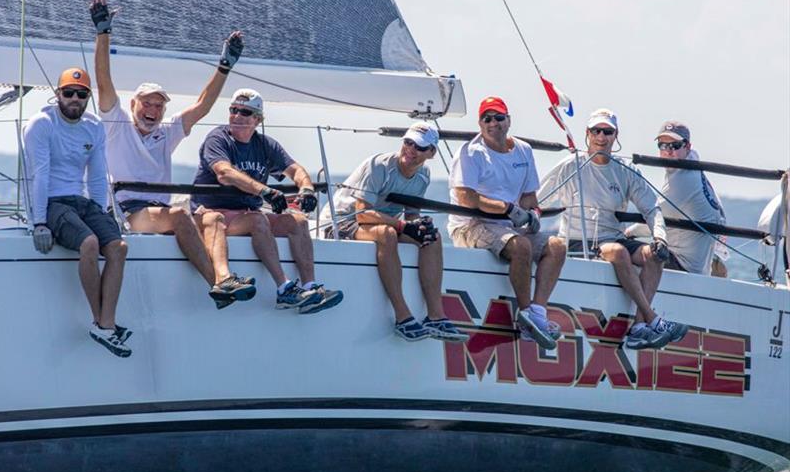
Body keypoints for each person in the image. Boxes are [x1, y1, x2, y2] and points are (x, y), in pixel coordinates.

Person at [89, 0, 253, 309]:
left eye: (159, 105)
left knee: (210, 215)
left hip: (156, 211)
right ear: (133, 104)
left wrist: (225, 66)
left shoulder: (167, 133)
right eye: (146, 103)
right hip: (126, 210)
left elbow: (202, 106)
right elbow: (103, 80)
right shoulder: (116, 123)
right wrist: (103, 32)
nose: (152, 109)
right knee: (179, 214)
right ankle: (218, 284)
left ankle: (224, 275)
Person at [539, 108, 688, 350]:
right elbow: (538, 200)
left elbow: (651, 207)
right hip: (578, 239)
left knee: (655, 256)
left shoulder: (625, 169)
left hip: (613, 237)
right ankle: (653, 319)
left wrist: (660, 238)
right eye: (596, 131)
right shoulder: (569, 165)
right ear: (587, 134)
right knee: (618, 252)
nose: (601, 136)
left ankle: (639, 329)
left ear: (615, 135)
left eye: (607, 131)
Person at [192, 88, 343, 313]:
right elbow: (224, 172)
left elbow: (295, 169)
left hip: (245, 213)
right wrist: (265, 191)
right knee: (257, 220)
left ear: (258, 120)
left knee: (298, 222)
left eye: (244, 112)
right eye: (233, 110)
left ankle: (311, 288)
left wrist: (307, 189)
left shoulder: (265, 145)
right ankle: (284, 289)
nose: (236, 116)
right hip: (214, 213)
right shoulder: (218, 137)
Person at [323, 122, 468, 343]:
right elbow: (362, 215)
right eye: (408, 143)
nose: (410, 150)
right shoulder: (379, 166)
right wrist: (402, 226)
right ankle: (403, 317)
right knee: (387, 234)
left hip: (379, 223)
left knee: (432, 237)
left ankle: (435, 317)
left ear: (431, 153)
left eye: (419, 147)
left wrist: (420, 225)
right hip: (341, 222)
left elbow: (411, 216)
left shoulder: (423, 175)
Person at [24, 68, 131, 358]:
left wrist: (100, 210)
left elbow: (97, 176)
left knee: (119, 247)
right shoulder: (41, 124)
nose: (74, 98)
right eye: (68, 92)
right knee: (90, 243)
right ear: (57, 94)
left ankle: (104, 323)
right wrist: (39, 222)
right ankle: (104, 326)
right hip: (53, 201)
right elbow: (39, 174)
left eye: (81, 94)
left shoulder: (94, 125)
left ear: (87, 98)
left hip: (81, 202)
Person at [448, 96, 566, 350]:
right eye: (486, 119)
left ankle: (537, 313)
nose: (493, 123)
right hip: (471, 224)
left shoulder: (523, 150)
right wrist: (507, 209)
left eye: (499, 118)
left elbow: (529, 197)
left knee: (556, 246)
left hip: (508, 226)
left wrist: (532, 213)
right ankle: (525, 317)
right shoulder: (470, 152)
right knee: (521, 246)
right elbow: (465, 197)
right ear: (480, 123)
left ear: (508, 121)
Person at [623, 121, 726, 275]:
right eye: (663, 146)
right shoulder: (692, 162)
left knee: (618, 251)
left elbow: (656, 218)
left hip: (683, 265)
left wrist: (626, 233)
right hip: (699, 264)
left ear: (687, 147)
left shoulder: (683, 180)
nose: (668, 151)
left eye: (675, 146)